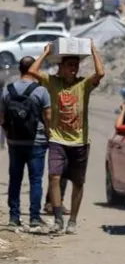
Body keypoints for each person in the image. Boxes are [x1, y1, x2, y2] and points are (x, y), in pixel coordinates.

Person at [29, 41, 105, 234]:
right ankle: (57, 219)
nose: (73, 69)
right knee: (54, 177)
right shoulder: (53, 82)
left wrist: (94, 51)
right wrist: (45, 53)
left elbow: (101, 73)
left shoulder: (84, 85)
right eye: (69, 65)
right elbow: (32, 71)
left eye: (76, 66)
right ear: (60, 68)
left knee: (78, 183)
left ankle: (72, 220)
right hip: (57, 139)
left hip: (79, 141)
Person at [0, 57, 51, 229]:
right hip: (36, 142)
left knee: (15, 179)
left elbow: (2, 117)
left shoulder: (7, 90)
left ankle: (14, 217)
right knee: (36, 180)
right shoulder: (41, 91)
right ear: (32, 69)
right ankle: (34, 218)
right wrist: (49, 136)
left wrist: (8, 134)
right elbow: (48, 117)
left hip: (14, 141)